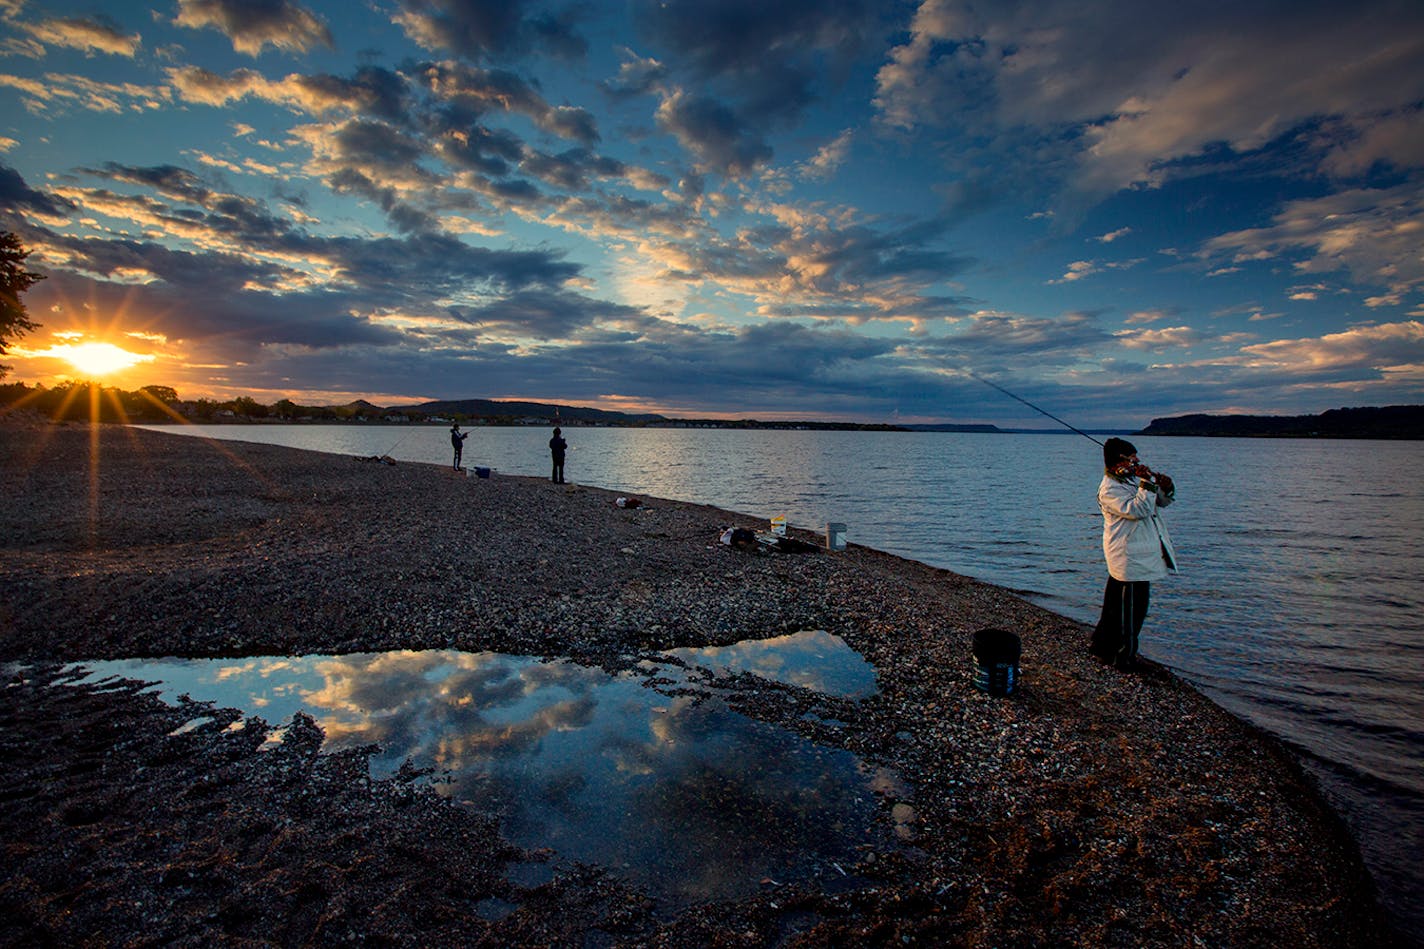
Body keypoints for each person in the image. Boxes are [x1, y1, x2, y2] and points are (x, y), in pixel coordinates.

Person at [1091, 437, 1177, 671]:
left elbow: (1159, 502)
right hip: (1129, 558)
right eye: (1132, 458)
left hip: (1140, 558)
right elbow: (1139, 509)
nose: (1137, 461)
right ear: (1119, 460)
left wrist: (1165, 487)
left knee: (1118, 608)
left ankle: (1102, 646)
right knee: (1130, 614)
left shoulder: (1129, 481)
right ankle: (1123, 658)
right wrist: (1146, 483)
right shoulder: (1109, 489)